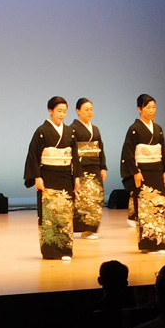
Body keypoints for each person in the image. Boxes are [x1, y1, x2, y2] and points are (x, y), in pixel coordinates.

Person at [23, 96, 77, 260]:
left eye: (65, 111)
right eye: (59, 111)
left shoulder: (69, 132)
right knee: (49, 215)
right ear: (50, 111)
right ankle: (50, 251)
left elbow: (75, 155)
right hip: (47, 176)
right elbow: (33, 156)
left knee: (65, 215)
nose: (62, 115)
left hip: (65, 176)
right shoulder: (42, 131)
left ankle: (65, 249)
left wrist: (77, 177)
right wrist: (37, 177)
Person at [120, 94, 165, 253]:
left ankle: (161, 242)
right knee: (145, 208)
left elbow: (164, 150)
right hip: (142, 173)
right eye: (148, 107)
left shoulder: (158, 129)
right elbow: (128, 153)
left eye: (154, 107)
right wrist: (135, 172)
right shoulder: (134, 129)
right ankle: (148, 243)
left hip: (157, 171)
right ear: (139, 109)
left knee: (160, 206)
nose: (152, 110)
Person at [70, 97, 108, 239]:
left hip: (95, 166)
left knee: (96, 197)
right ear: (78, 111)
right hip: (82, 167)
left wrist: (103, 166)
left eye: (91, 109)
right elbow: (73, 150)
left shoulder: (95, 129)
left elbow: (100, 148)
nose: (89, 112)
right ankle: (84, 229)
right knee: (83, 199)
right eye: (86, 109)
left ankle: (92, 229)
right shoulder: (73, 128)